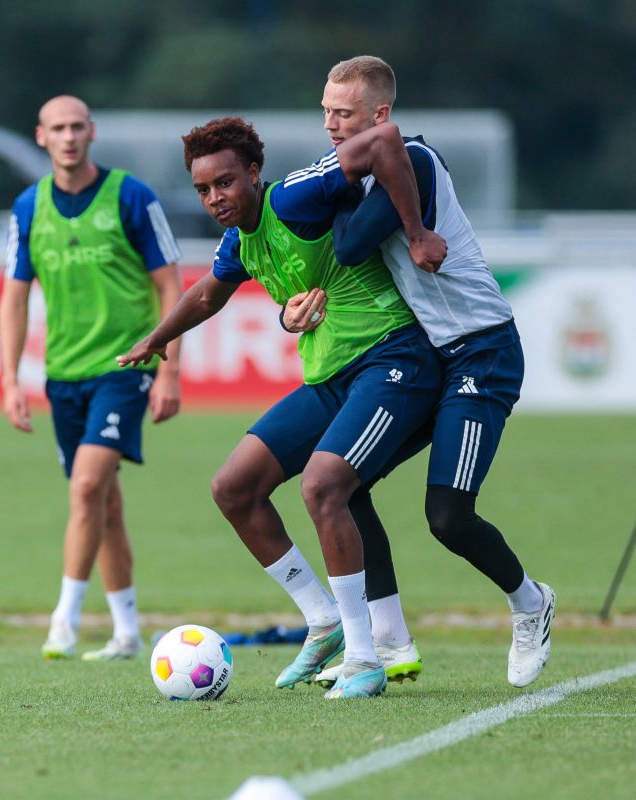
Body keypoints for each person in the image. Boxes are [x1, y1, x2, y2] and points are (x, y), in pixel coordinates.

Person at [119, 116, 447, 699]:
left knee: (323, 488)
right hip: (331, 378)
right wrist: (157, 337)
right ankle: (323, 621)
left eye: (224, 183)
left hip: (393, 360)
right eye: (202, 190)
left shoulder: (296, 196)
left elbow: (383, 143)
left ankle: (366, 658)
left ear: (253, 173)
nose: (214, 198)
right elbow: (205, 295)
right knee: (233, 487)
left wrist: (417, 229)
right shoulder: (239, 242)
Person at [290, 56, 556, 689]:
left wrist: (350, 215)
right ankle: (387, 641)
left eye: (344, 113)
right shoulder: (360, 173)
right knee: (344, 487)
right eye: (325, 110)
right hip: (433, 357)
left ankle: (531, 604)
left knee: (448, 517)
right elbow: (327, 231)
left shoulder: (418, 161)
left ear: (380, 116)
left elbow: (351, 244)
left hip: (482, 354)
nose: (330, 124)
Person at [0, 95, 184, 662]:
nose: (70, 136)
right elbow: (14, 298)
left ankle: (64, 621)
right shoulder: (29, 207)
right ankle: (127, 632)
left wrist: (170, 371)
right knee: (103, 505)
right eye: (59, 128)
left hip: (125, 368)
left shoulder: (130, 196)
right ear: (41, 137)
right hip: (64, 377)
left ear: (92, 132)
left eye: (78, 126)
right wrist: (10, 380)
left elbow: (171, 286)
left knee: (84, 489)